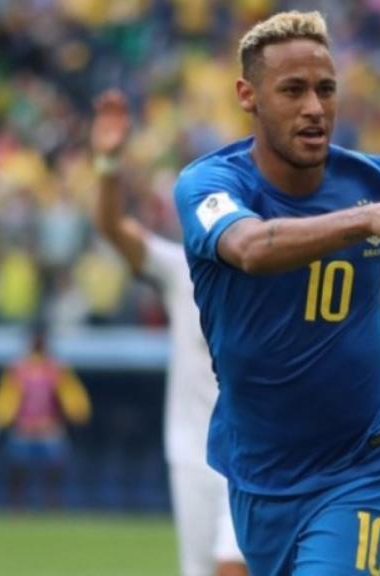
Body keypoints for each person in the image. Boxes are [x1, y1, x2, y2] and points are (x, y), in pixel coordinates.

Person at [172, 11, 380, 576]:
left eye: (326, 90)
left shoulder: (376, 183)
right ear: (247, 95)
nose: (314, 108)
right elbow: (252, 247)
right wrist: (366, 222)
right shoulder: (210, 186)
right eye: (293, 90)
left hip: (363, 465)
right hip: (258, 474)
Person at [89, 90, 247, 576]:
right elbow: (113, 228)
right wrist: (107, 164)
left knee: (233, 566)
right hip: (190, 450)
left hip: (254, 455)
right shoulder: (181, 270)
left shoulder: (272, 273)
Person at [0, 327, 90, 509]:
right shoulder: (19, 369)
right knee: (17, 468)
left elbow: (72, 395)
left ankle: (52, 504)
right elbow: (6, 398)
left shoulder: (55, 369)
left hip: (48, 427)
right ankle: (17, 506)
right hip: (24, 427)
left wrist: (78, 412)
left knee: (55, 467)